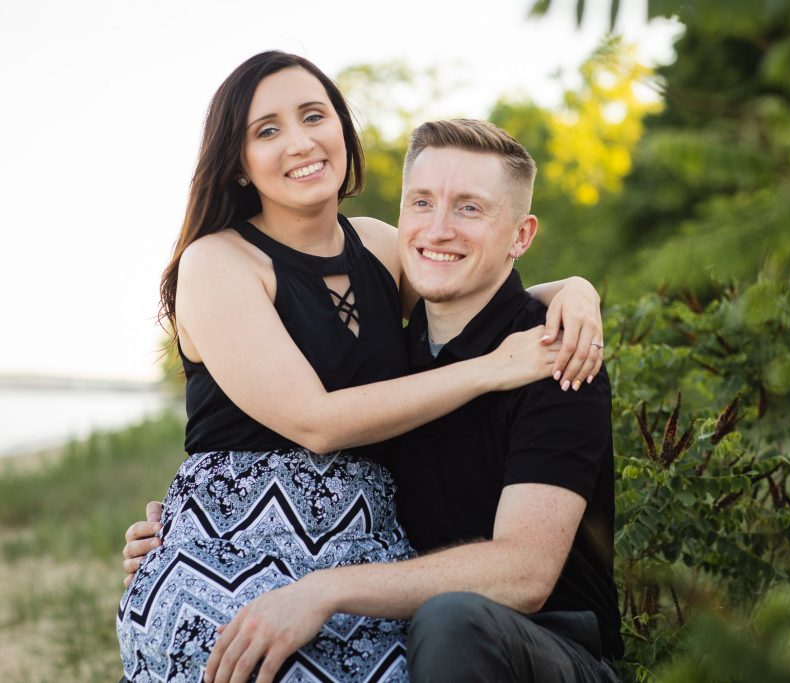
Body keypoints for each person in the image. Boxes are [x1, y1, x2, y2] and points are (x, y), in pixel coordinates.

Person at [115, 52, 604, 683]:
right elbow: (315, 423)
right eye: (267, 131)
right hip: (236, 546)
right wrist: (488, 369)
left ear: (344, 130)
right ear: (237, 164)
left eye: (314, 115)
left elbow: (469, 277)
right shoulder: (216, 263)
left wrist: (573, 290)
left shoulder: (378, 245)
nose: (300, 141)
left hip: (368, 544)